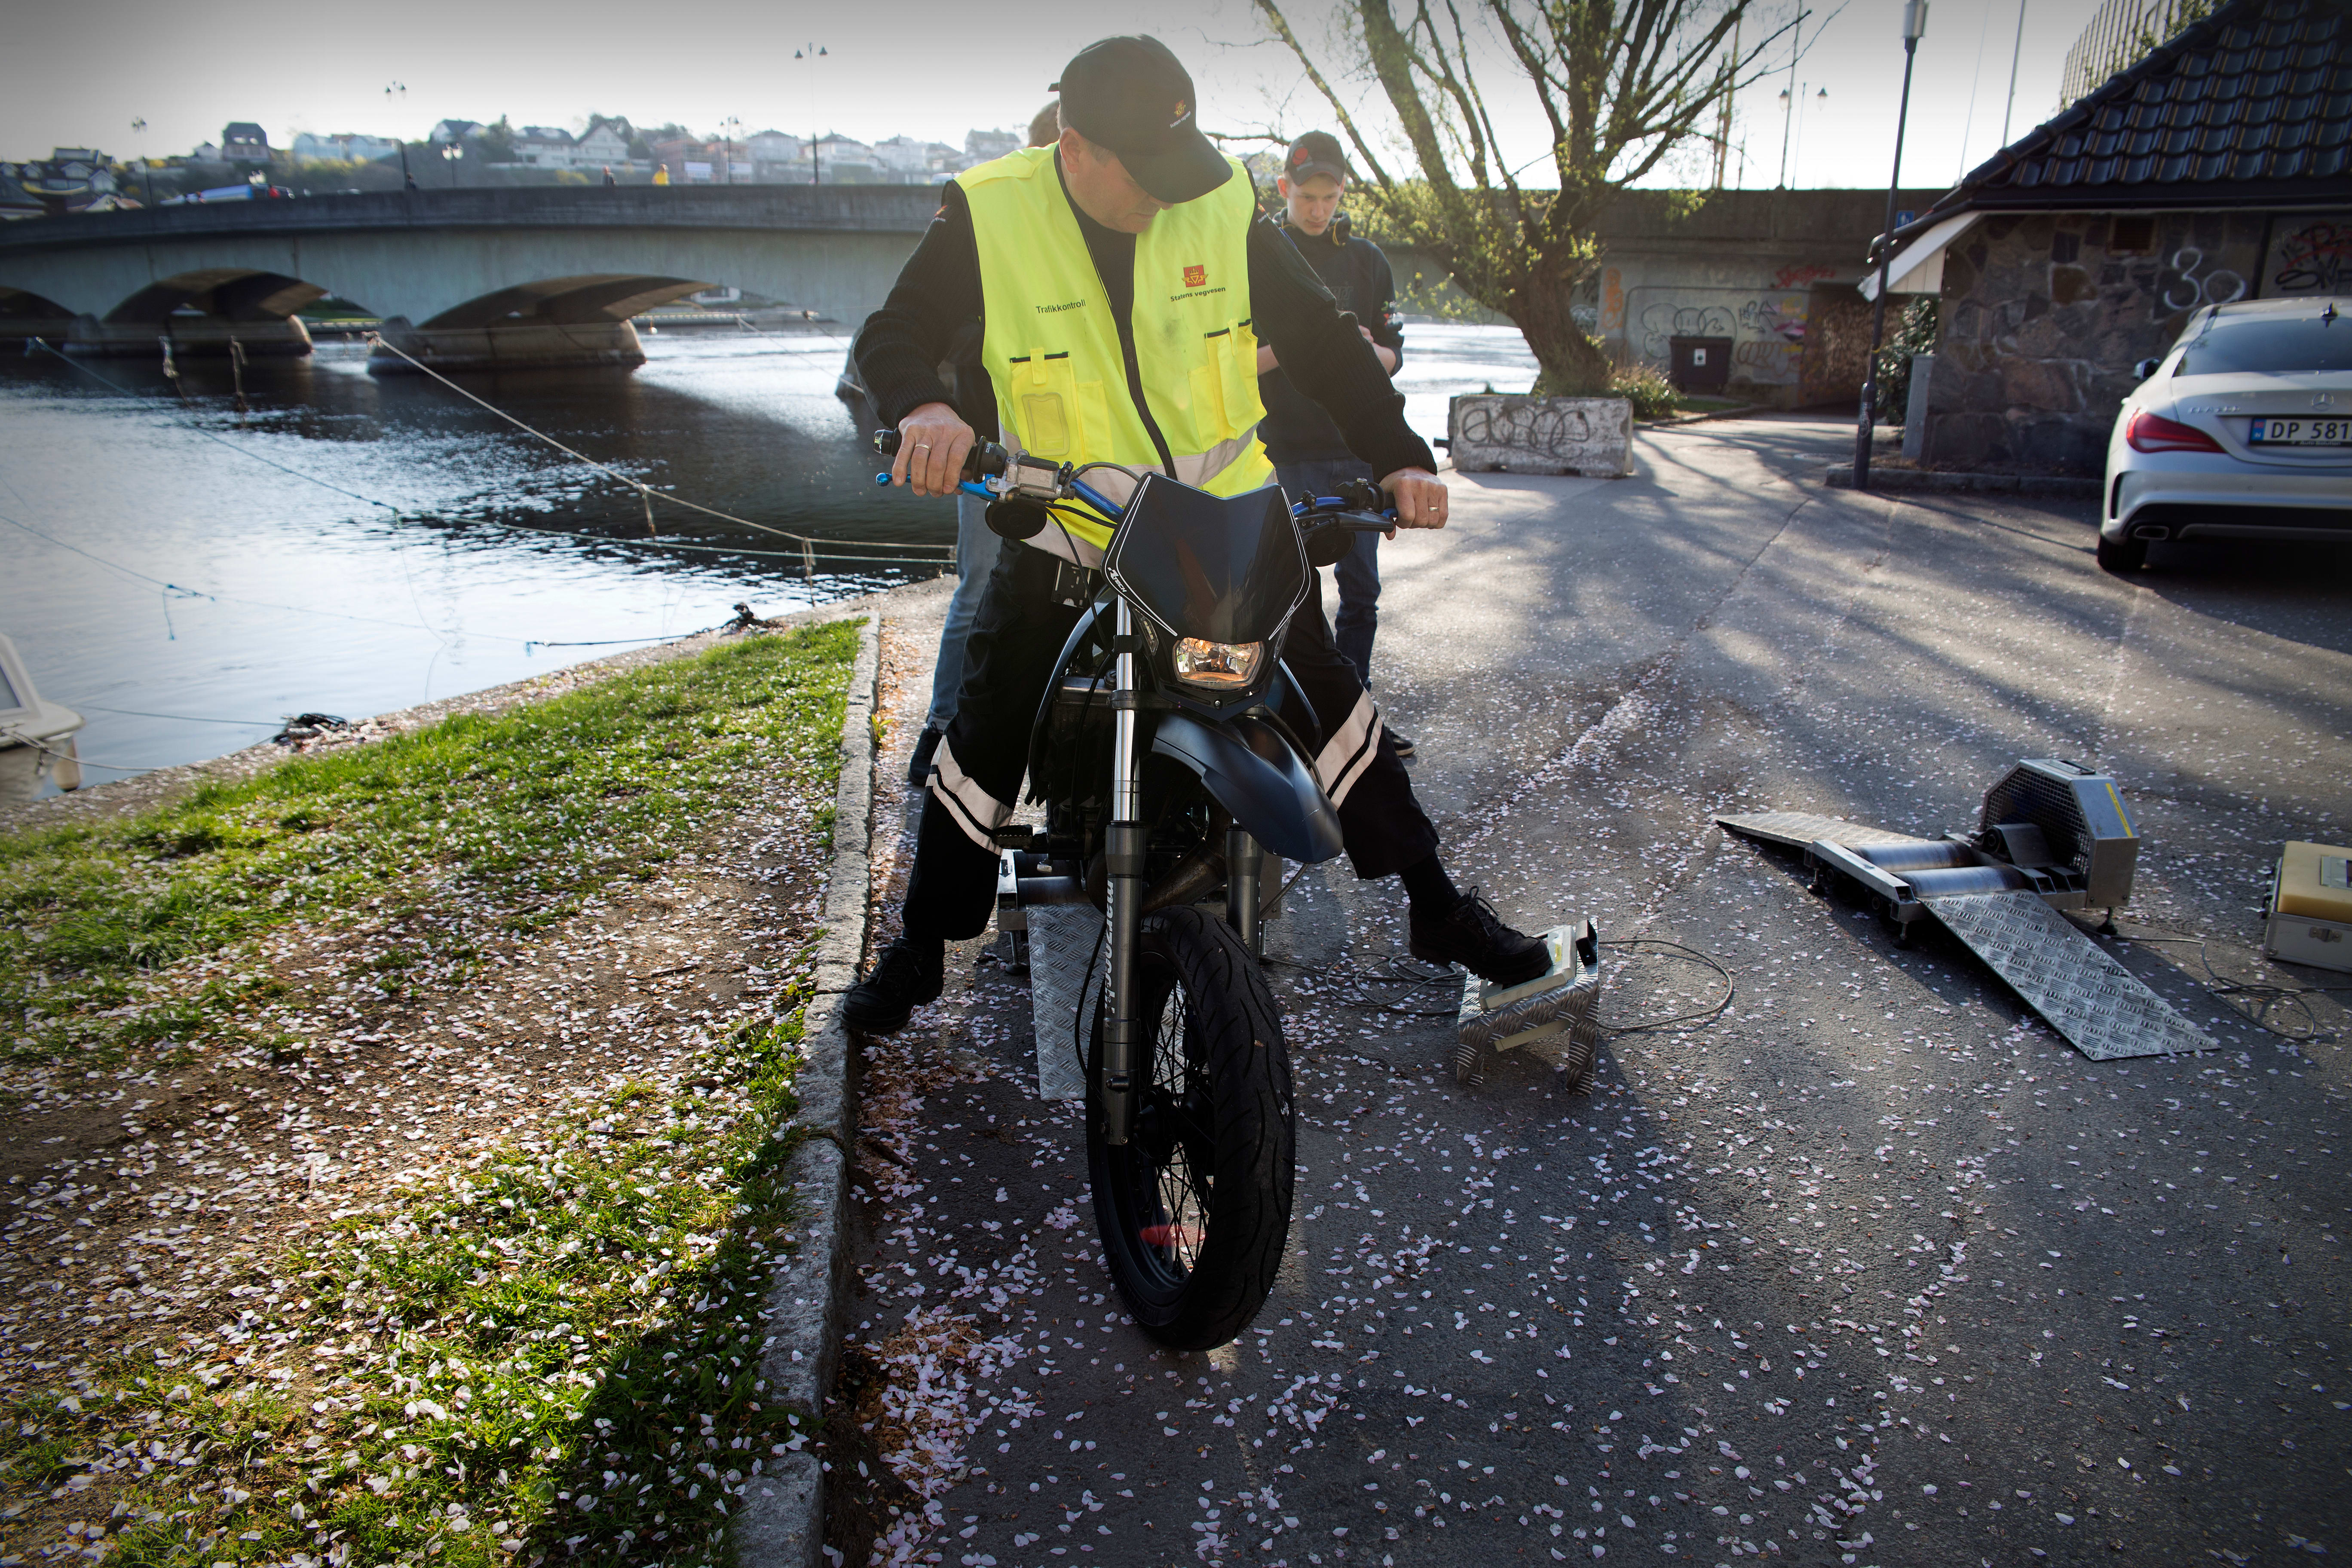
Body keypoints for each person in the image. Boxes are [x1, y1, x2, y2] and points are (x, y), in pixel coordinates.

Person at [844, 35, 1548, 1035]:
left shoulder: (1216, 199)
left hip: (1224, 519)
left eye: (1179, 162)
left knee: (1334, 704)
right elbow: (895, 329)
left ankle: (1436, 906)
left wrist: (1401, 455)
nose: (1170, 192)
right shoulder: (990, 210)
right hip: (1076, 528)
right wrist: (923, 405)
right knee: (987, 727)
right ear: (1076, 149)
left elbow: (1320, 337)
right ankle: (922, 945)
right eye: (1146, 169)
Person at [906, 100, 1064, 788]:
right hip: (993, 456)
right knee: (979, 589)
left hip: (1076, 459)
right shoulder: (992, 234)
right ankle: (940, 729)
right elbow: (933, 333)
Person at [1258, 131, 1411, 753]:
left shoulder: (1368, 260)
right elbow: (1230, 361)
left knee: (1362, 592)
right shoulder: (1261, 252)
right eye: (1306, 197)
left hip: (1355, 451)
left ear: (1344, 192)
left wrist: (1363, 352)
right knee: (1286, 596)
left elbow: (1393, 357)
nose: (1319, 209)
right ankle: (1285, 718)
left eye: (1330, 197)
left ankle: (1355, 719)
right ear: (1284, 189)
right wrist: (1313, 343)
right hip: (1282, 449)